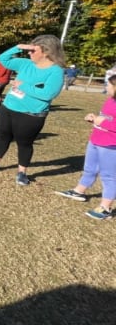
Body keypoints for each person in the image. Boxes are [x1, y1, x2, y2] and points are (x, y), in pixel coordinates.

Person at [0, 35, 65, 186]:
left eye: (33, 50)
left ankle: (22, 172)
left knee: (24, 143)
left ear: (46, 52)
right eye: (28, 49)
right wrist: (18, 47)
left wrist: (22, 85)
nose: (29, 53)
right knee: (3, 136)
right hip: (9, 107)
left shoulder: (56, 71)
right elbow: (3, 60)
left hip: (31, 114)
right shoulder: (26, 63)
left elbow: (48, 94)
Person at [55, 75, 116, 220]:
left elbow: (108, 123)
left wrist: (103, 122)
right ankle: (79, 191)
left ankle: (105, 208)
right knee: (90, 168)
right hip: (96, 140)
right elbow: (107, 118)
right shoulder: (110, 100)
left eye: (108, 85)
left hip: (110, 145)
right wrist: (94, 118)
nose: (105, 87)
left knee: (109, 176)